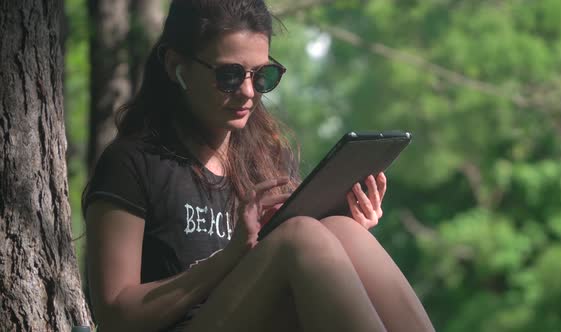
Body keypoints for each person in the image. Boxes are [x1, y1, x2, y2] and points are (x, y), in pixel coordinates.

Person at [82, 0, 435, 331]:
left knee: (343, 231)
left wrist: (341, 237)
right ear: (177, 67)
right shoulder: (131, 164)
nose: (249, 92)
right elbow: (115, 315)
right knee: (299, 238)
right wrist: (231, 257)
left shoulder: (265, 158)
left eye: (262, 75)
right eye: (230, 75)